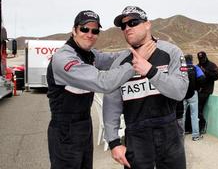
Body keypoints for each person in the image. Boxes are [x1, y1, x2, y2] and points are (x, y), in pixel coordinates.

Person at [46, 10, 155, 169]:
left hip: (84, 125)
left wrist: (138, 48)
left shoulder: (89, 55)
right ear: (74, 30)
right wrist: (137, 62)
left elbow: (112, 59)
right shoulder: (64, 58)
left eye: (95, 31)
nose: (90, 34)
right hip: (64, 129)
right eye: (85, 29)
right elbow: (103, 82)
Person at [103, 6, 189, 169]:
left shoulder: (171, 52)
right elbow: (111, 104)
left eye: (133, 22)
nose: (127, 28)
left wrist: (150, 71)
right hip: (136, 136)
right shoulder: (119, 62)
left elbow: (180, 91)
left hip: (169, 133)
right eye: (123, 26)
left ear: (147, 24)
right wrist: (114, 142)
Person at [182, 54, 204, 141]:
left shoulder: (181, 68)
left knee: (182, 115)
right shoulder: (195, 68)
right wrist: (198, 86)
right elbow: (202, 78)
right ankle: (195, 136)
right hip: (193, 94)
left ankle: (181, 134)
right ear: (192, 60)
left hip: (182, 94)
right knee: (194, 115)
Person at [196, 51, 218, 135]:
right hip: (198, 90)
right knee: (196, 109)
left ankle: (202, 126)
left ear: (206, 57)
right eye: (200, 59)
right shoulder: (197, 66)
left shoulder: (212, 65)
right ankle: (196, 127)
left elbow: (216, 77)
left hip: (206, 91)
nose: (201, 60)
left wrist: (205, 71)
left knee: (199, 109)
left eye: (203, 58)